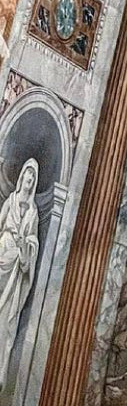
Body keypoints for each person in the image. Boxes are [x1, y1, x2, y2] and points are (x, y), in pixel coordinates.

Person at [0, 159, 38, 387]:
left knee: (7, 320)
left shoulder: (33, 211)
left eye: (33, 178)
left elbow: (33, 239)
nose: (30, 180)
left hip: (16, 267)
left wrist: (27, 247)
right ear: (22, 177)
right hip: (3, 253)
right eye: (28, 175)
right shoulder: (11, 201)